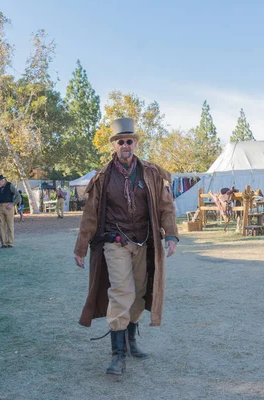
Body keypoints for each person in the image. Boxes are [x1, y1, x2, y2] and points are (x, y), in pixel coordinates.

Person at [73, 117, 178, 375]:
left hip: (143, 243)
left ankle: (131, 341)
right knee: (121, 291)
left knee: (140, 292)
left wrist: (171, 235)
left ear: (135, 143)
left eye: (129, 141)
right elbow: (90, 214)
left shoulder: (151, 173)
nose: (125, 145)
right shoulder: (103, 178)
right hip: (115, 243)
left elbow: (166, 207)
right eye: (121, 141)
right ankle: (117, 354)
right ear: (115, 145)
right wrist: (81, 246)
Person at [0, 175, 18, 248]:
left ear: (2, 181)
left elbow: (18, 196)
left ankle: (10, 243)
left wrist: (12, 204)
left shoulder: (10, 185)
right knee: (1, 226)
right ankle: (3, 243)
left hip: (8, 206)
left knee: (10, 225)